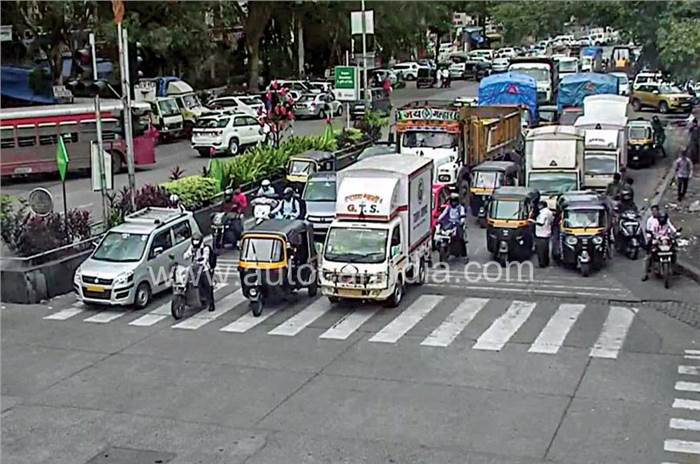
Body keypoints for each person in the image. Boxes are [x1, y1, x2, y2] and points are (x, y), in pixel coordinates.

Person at [183, 233, 215, 311]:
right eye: (194, 240)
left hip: (204, 269)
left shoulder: (205, 248)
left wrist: (201, 261)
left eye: (197, 240)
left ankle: (211, 303)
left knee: (208, 286)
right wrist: (190, 253)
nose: (195, 242)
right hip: (194, 268)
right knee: (192, 284)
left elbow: (205, 258)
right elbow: (185, 256)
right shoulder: (191, 247)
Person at [642, 212, 677, 281]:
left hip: (666, 241)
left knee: (674, 251)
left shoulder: (667, 223)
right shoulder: (655, 224)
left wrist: (676, 233)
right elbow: (651, 232)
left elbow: (673, 229)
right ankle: (645, 274)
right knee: (648, 257)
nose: (662, 220)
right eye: (661, 218)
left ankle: (673, 267)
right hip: (656, 241)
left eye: (663, 218)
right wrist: (651, 236)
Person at [437, 193, 468, 261]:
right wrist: (438, 220)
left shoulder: (460, 208)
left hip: (458, 224)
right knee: (440, 234)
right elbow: (443, 214)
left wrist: (461, 221)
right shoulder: (448, 207)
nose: (453, 203)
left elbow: (462, 216)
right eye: (452, 201)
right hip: (449, 224)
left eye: (455, 201)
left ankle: (465, 256)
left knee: (461, 239)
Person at [530, 200, 554, 268]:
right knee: (546, 249)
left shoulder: (543, 213)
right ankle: (546, 262)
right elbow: (551, 221)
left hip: (541, 233)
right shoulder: (549, 212)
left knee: (540, 250)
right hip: (547, 232)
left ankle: (542, 263)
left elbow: (541, 223)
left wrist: (533, 221)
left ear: (541, 206)